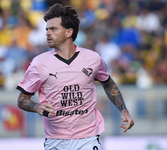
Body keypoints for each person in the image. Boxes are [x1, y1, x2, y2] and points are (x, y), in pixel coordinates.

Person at [16, 3, 134, 150]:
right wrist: (37, 107)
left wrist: (124, 110)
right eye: (47, 29)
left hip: (88, 138)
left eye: (53, 29)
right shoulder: (39, 63)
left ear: (68, 32)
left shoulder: (93, 59)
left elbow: (108, 83)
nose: (47, 33)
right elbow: (22, 99)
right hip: (55, 140)